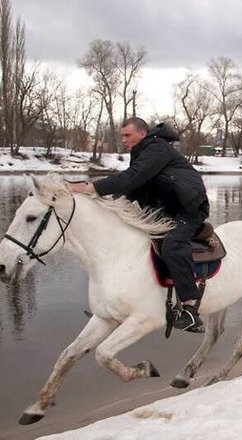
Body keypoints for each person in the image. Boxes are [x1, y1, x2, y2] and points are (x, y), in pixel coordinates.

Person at [67, 117, 210, 332]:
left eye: (127, 135)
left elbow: (132, 178)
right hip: (166, 210)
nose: (123, 140)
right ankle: (123, 302)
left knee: (172, 246)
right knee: (127, 237)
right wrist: (103, 202)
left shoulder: (157, 148)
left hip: (188, 209)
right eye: (122, 136)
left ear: (142, 134)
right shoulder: (142, 152)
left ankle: (190, 309)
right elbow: (133, 187)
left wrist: (90, 188)